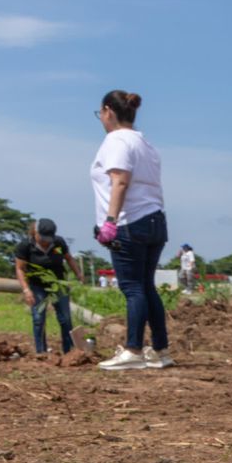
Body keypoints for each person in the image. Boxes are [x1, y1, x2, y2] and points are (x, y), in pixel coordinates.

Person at [90, 90, 171, 371]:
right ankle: (160, 350)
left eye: (99, 113)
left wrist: (110, 221)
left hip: (129, 222)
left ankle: (133, 349)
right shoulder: (145, 143)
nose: (100, 119)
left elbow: (120, 181)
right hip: (154, 220)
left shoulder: (116, 140)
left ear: (108, 111)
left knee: (132, 287)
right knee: (146, 286)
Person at [14, 218, 84, 355]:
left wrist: (79, 274)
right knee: (38, 318)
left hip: (58, 284)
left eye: (49, 238)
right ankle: (41, 352)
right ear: (36, 232)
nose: (46, 241)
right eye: (43, 237)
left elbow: (69, 258)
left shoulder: (58, 243)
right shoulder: (25, 246)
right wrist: (26, 290)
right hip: (37, 286)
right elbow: (20, 269)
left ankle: (69, 352)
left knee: (65, 318)